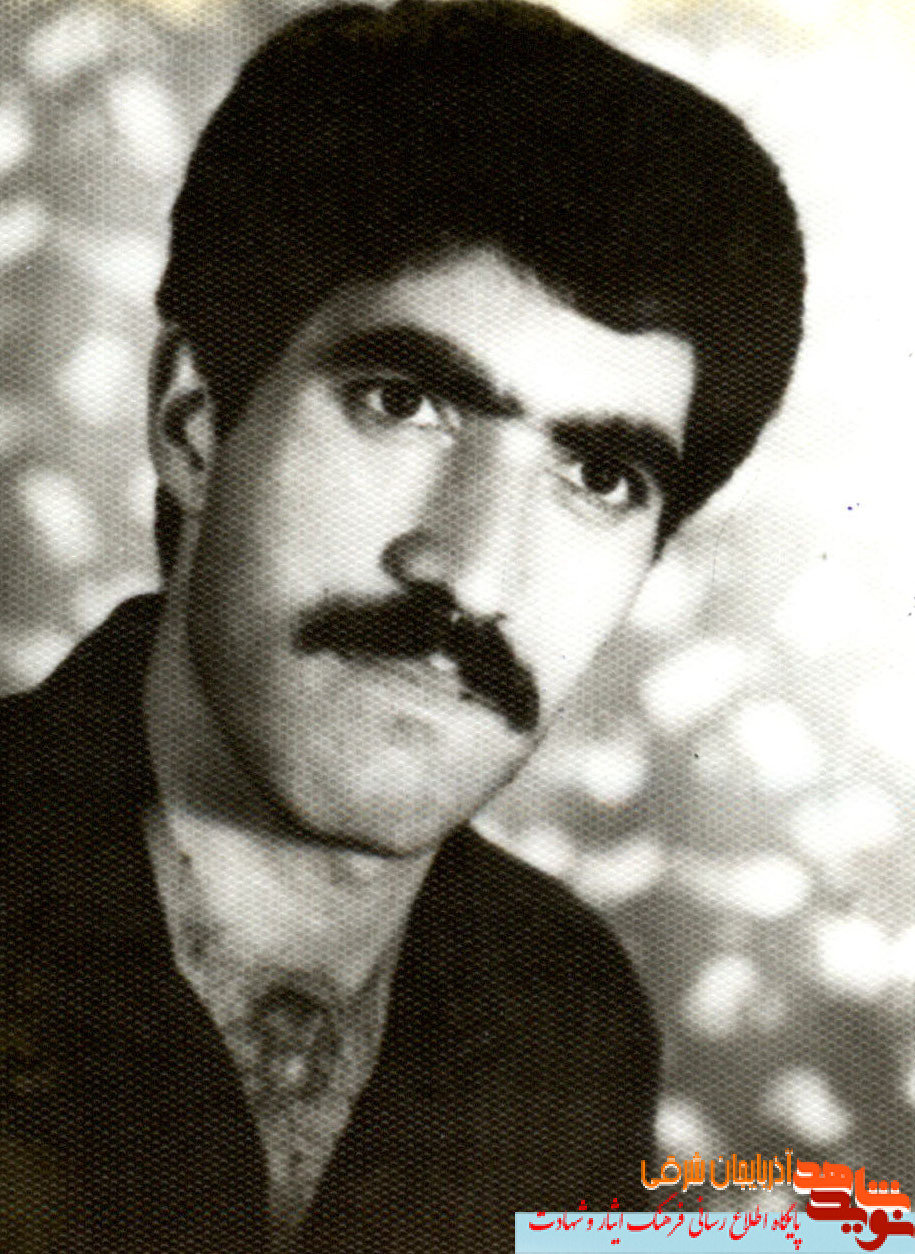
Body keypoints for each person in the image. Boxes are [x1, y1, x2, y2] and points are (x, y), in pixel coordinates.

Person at [0, 1, 804, 1249]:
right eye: (402, 402)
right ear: (195, 426)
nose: (474, 574)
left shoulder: (569, 1017)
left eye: (599, 477)